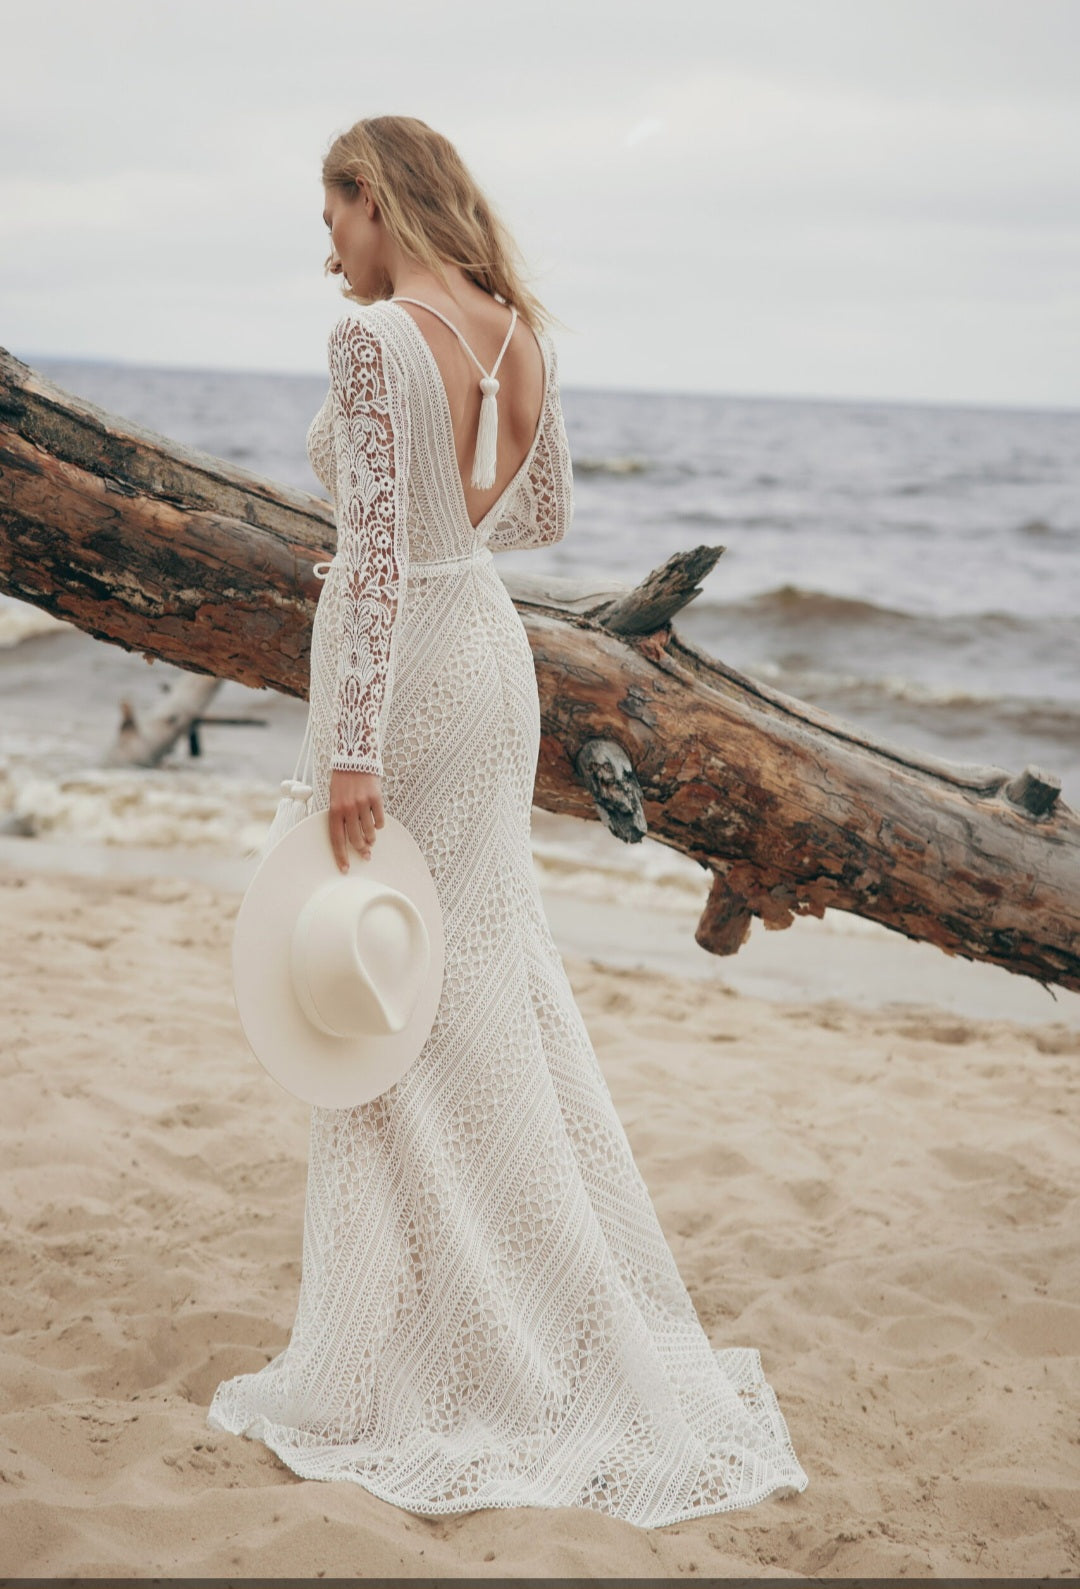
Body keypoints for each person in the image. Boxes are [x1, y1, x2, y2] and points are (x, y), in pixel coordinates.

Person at [207, 114, 809, 1527]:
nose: (328, 245)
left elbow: (369, 562)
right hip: (486, 649)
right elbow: (531, 512)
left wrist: (351, 739)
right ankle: (534, 1309)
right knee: (477, 972)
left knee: (374, 988)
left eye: (333, 213)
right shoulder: (510, 323)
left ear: (376, 197)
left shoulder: (373, 344)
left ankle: (388, 1355)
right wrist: (425, 532)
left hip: (402, 668)